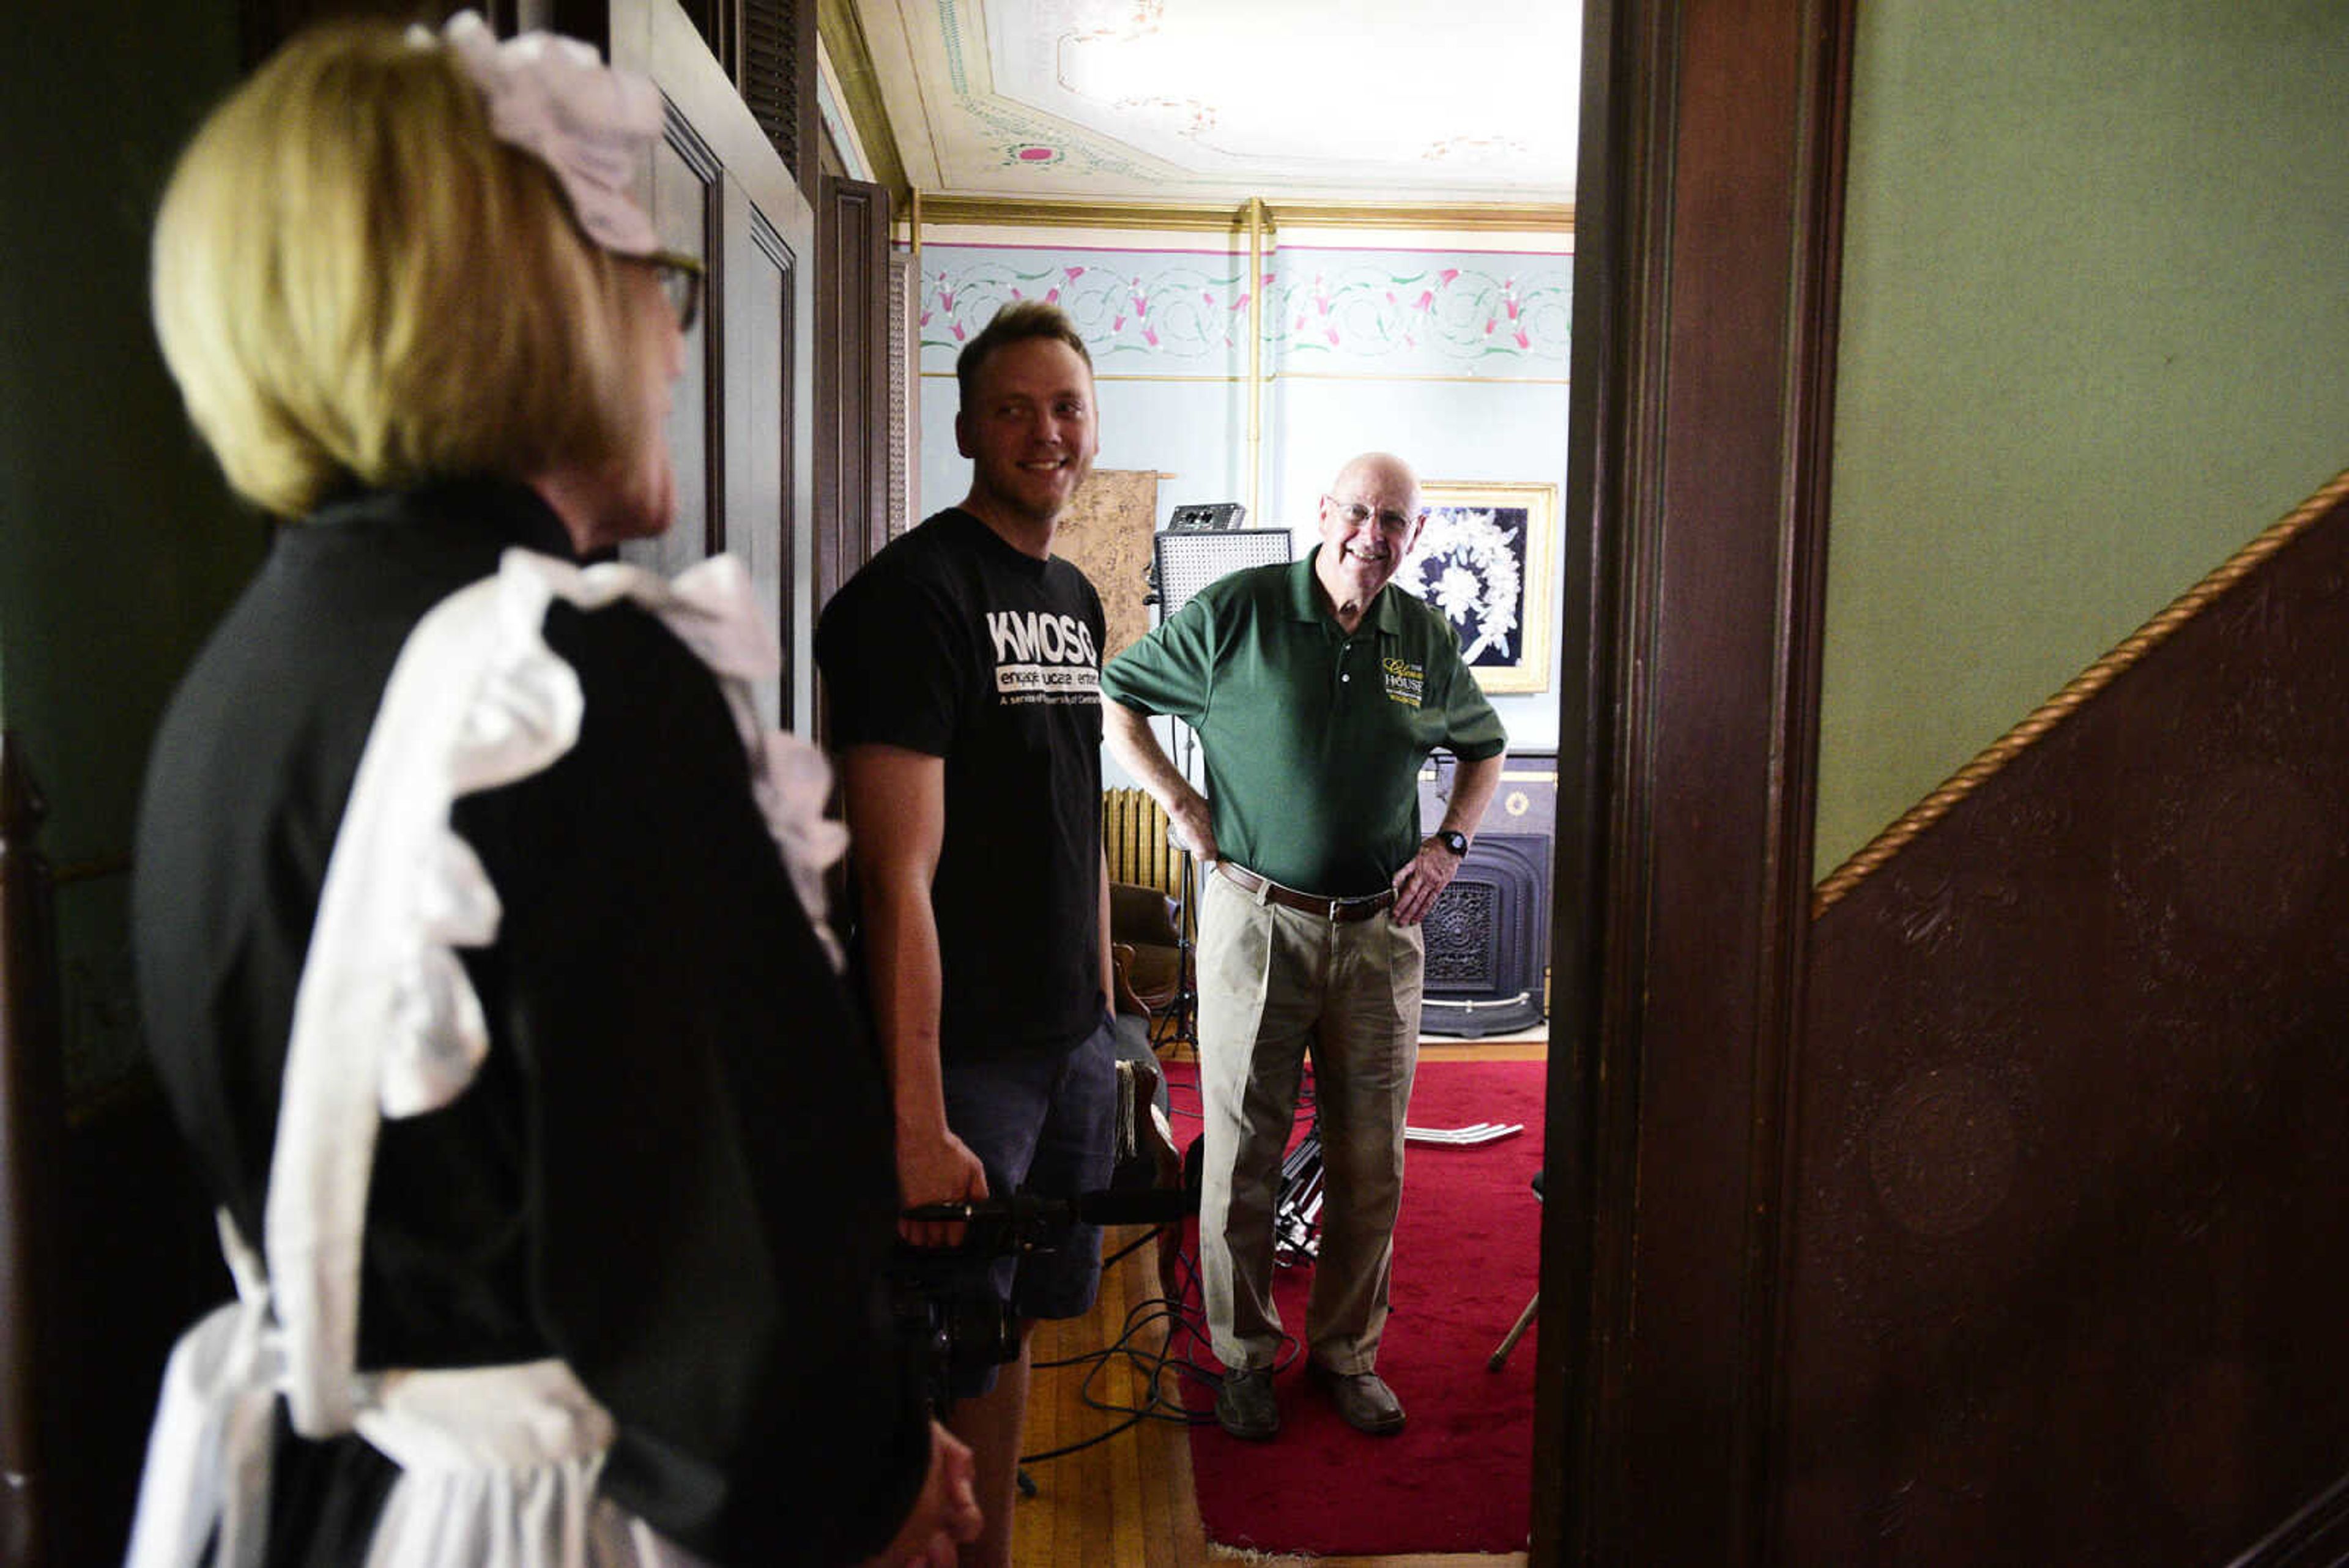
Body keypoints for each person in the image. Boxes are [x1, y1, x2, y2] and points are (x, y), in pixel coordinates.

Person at [125, 16, 978, 1567]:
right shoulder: (560, 680)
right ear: (527, 302)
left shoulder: (245, 675)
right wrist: (873, 1480)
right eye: (653, 281)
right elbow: (729, 1276)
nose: (668, 339)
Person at [1100, 451, 1507, 1441]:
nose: (1375, 534)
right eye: (1360, 513)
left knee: (1373, 1162)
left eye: (1396, 521)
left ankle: (1347, 1356)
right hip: (1258, 923)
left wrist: (1448, 845)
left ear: (1414, 536)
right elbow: (1119, 694)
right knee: (1242, 1150)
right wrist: (1181, 802)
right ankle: (1243, 1356)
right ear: (1326, 515)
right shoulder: (1239, 612)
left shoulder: (1420, 634)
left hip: (1378, 936)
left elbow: (1484, 746)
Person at [814, 300, 1118, 1568]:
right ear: (964, 430)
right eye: (1013, 408)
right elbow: (897, 878)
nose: (1045, 433)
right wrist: (915, 1117)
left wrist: (1114, 1020)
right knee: (927, 1353)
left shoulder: (1075, 596)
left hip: (1068, 1043)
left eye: (1066, 408)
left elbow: (1075, 821)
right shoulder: (913, 597)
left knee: (1019, 1325)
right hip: (967, 1060)